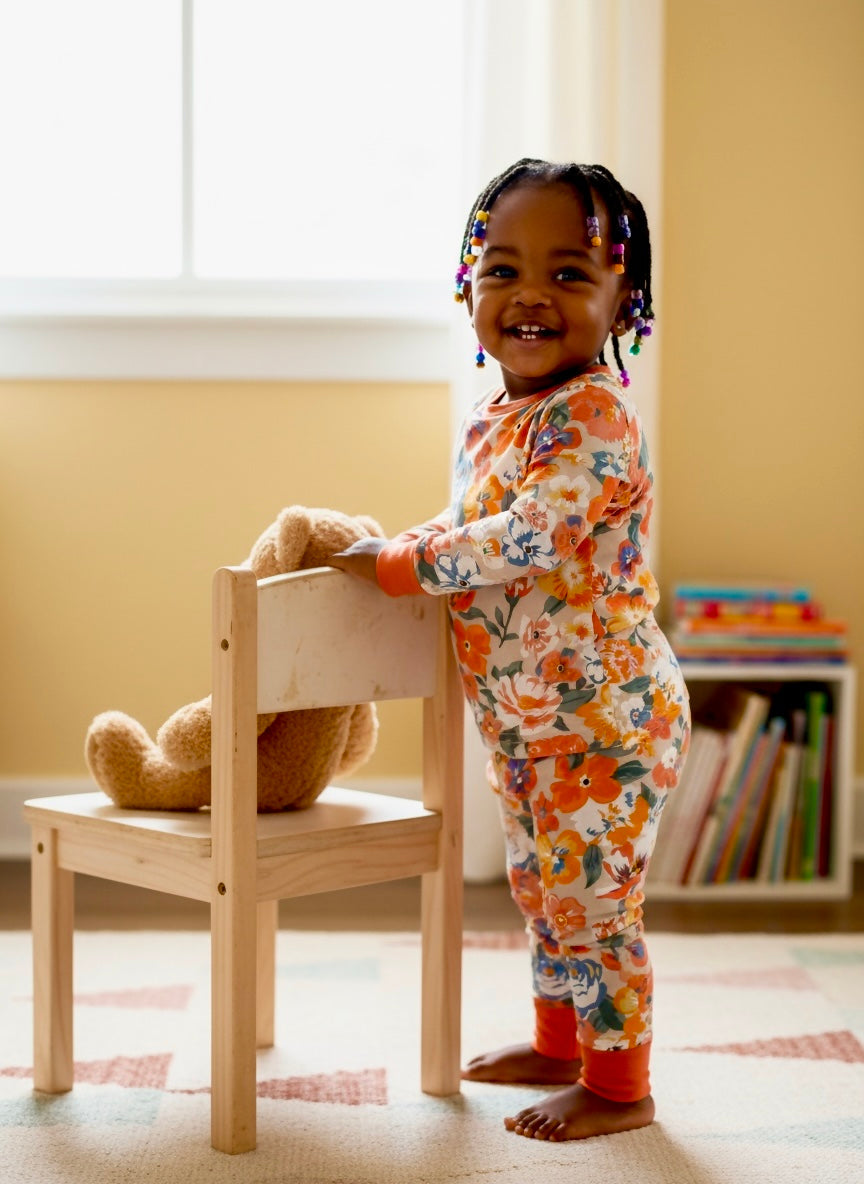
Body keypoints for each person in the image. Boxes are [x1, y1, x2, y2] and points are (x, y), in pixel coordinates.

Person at [327, 158, 690, 1142]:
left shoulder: (595, 417)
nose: (531, 295)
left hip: (602, 716)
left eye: (570, 273)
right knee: (540, 882)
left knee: (594, 893)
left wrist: (412, 561)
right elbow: (469, 522)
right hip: (525, 714)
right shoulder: (494, 418)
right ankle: (557, 1034)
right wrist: (406, 544)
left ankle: (621, 1081)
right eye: (502, 269)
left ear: (626, 298)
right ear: (468, 284)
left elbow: (533, 532)